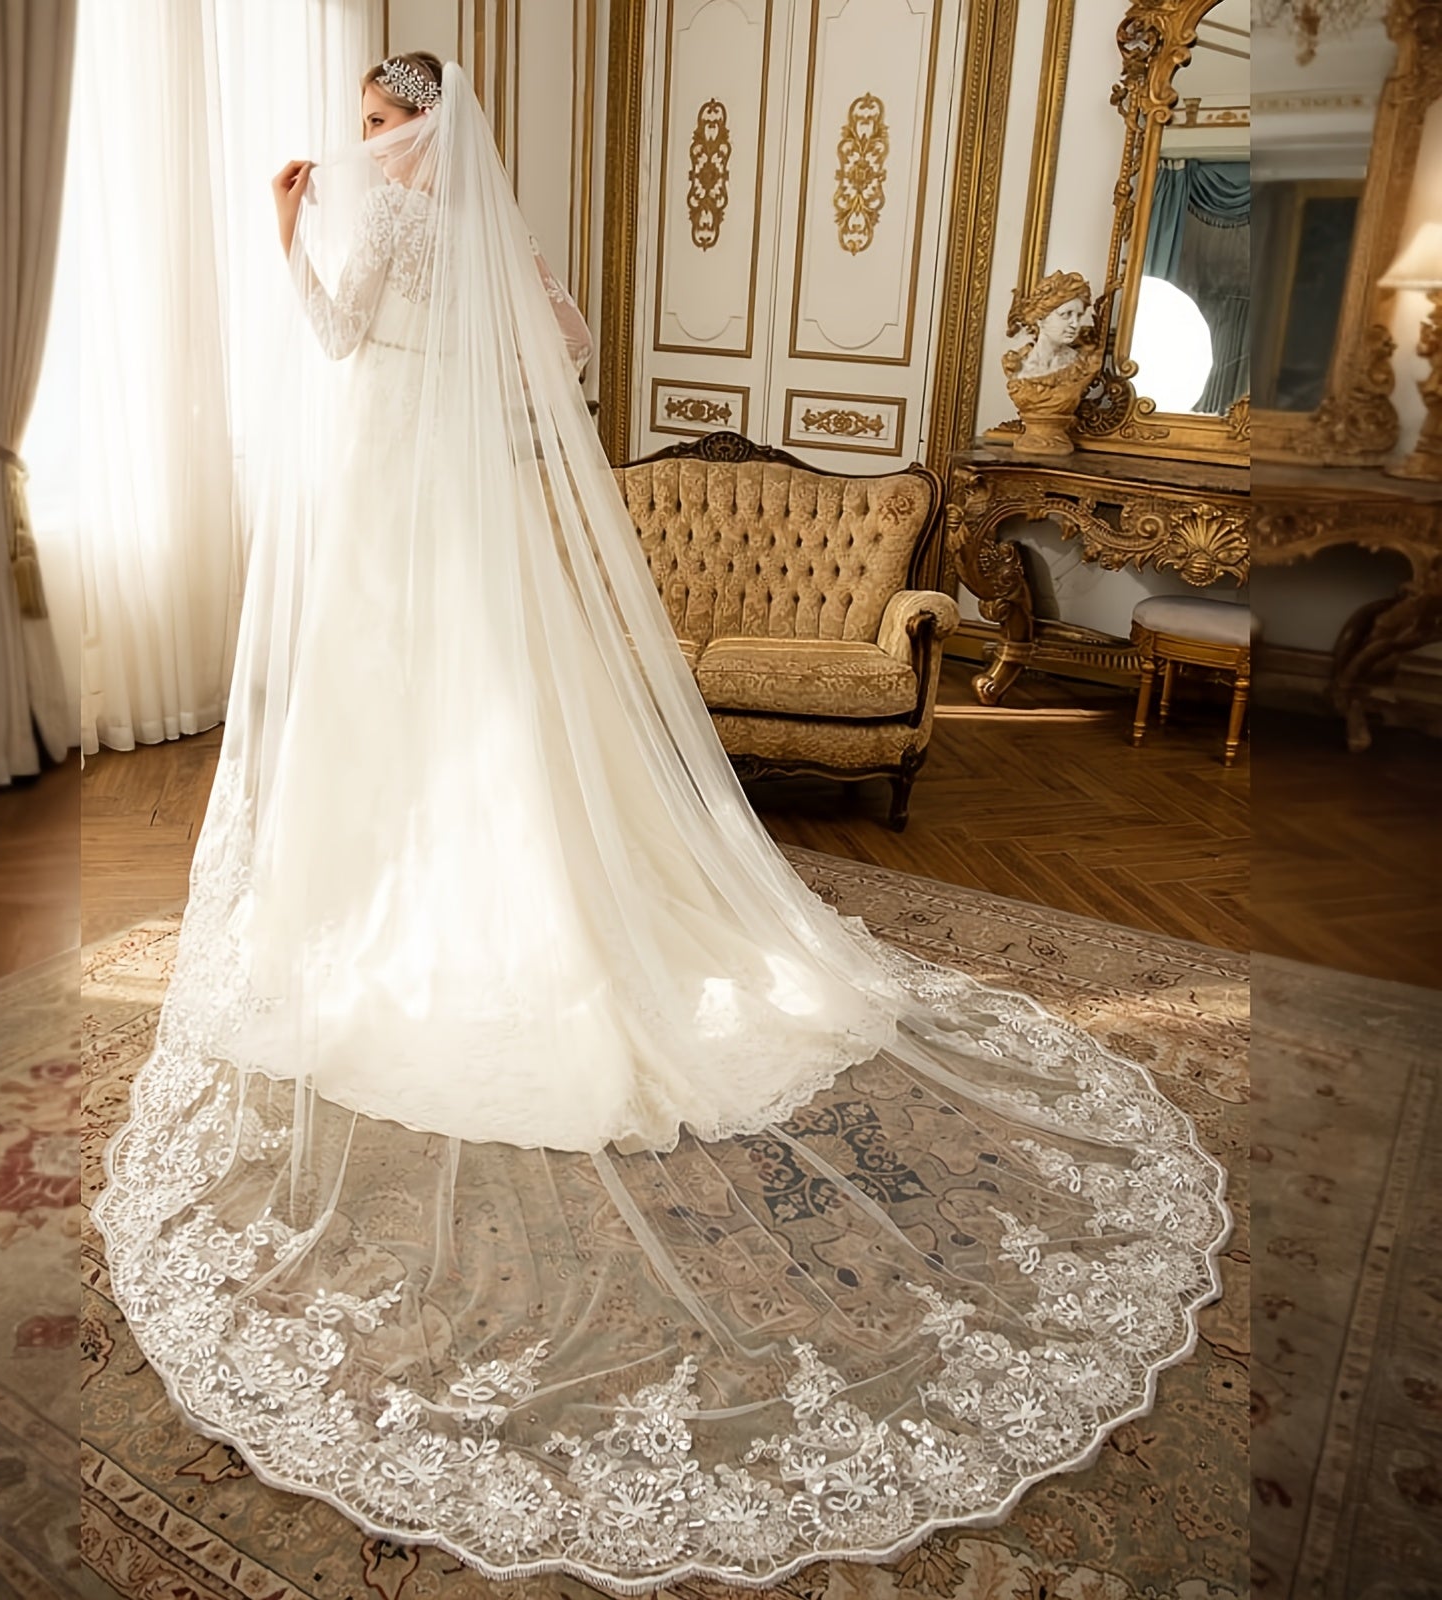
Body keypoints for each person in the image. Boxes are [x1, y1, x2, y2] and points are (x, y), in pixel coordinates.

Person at [93, 56, 1231, 1591]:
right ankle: (499, 893)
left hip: (382, 499)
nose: (369, 144)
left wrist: (281, 227)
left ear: (393, 124)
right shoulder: (489, 227)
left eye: (374, 124)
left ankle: (387, 906)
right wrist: (517, 292)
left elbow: (335, 333)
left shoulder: (365, 220)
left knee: (390, 715)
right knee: (480, 715)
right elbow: (560, 359)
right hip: (462, 512)